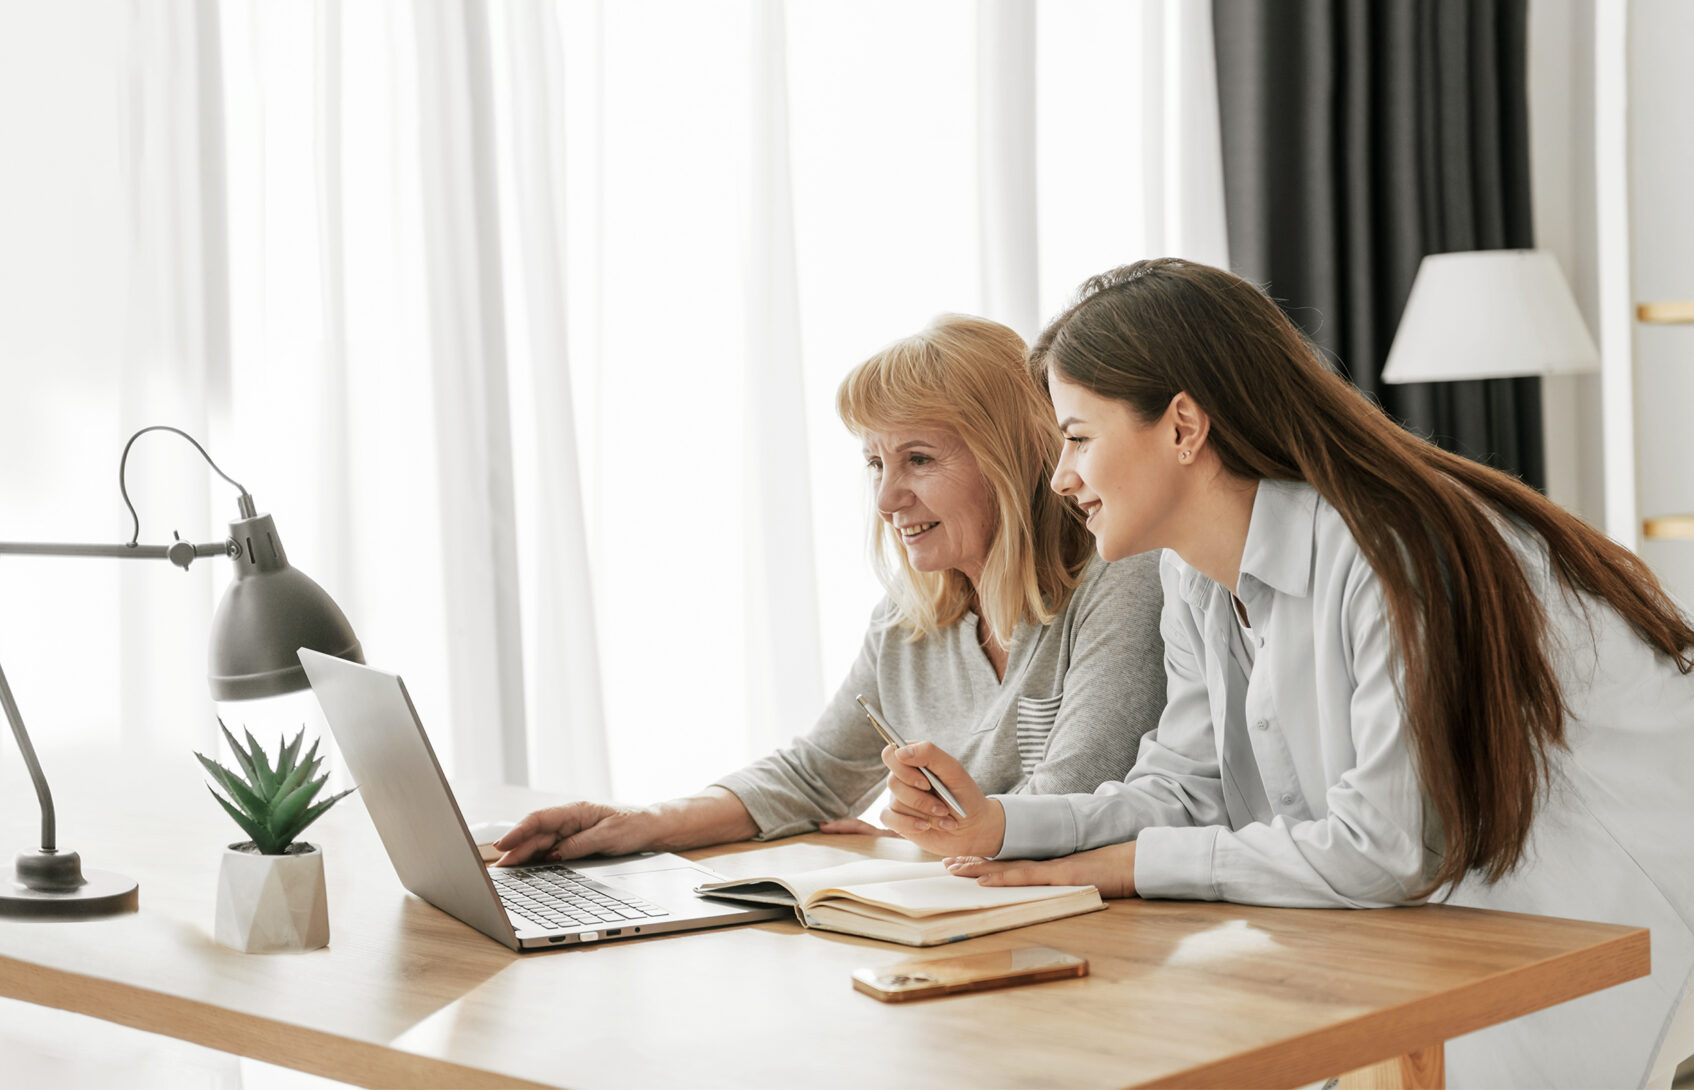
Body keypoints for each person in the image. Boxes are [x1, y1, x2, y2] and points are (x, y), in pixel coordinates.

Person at [878, 259, 1694, 1089]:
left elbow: (1385, 851)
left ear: (1184, 427)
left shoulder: (1387, 552)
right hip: (1454, 913)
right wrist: (999, 826)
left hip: (1600, 901)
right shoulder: (1192, 574)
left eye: (1079, 438)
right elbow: (1180, 790)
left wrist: (1123, 866)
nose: (1061, 477)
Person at [493, 314, 1165, 866]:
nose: (887, 499)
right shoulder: (909, 622)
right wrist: (641, 822)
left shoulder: (1120, 580)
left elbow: (1075, 796)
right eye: (874, 463)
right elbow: (815, 777)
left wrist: (915, 845)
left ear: (1011, 456)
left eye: (918, 459)